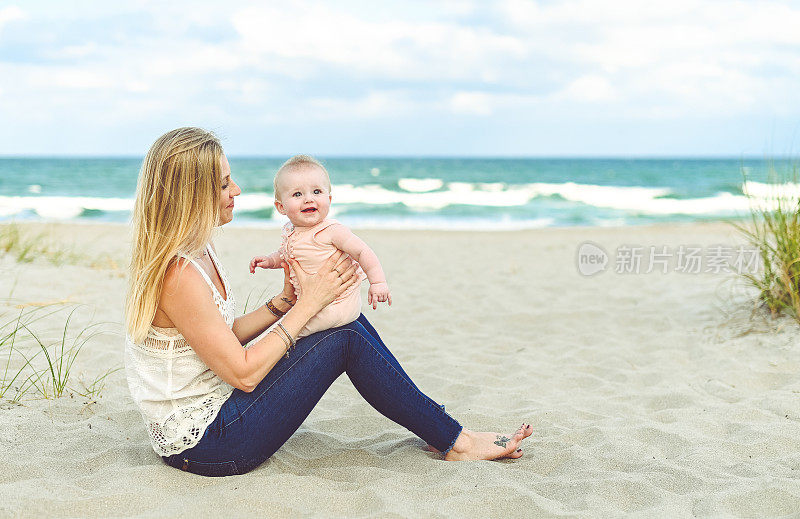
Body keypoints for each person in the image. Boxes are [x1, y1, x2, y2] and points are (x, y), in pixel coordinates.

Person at [124, 127, 533, 477]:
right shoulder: (178, 275)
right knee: (344, 338)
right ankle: (452, 438)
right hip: (208, 445)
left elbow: (221, 338)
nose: (237, 190)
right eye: (225, 183)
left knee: (348, 325)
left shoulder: (200, 250)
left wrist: (283, 303)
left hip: (223, 410)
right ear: (193, 194)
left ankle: (443, 430)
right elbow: (243, 374)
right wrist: (310, 301)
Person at [249, 154, 390, 338]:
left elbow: (362, 251)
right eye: (297, 194)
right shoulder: (291, 232)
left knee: (292, 329)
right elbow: (285, 255)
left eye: (316, 192)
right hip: (316, 303)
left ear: (329, 200)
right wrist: (269, 260)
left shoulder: (331, 231)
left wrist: (378, 282)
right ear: (281, 207)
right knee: (294, 322)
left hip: (337, 304)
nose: (308, 199)